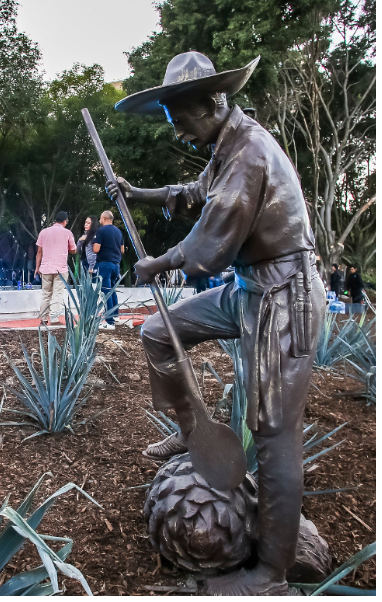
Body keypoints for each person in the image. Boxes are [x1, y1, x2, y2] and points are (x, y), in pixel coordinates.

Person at [110, 51, 324, 594]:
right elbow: (194, 195)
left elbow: (210, 247)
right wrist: (138, 194)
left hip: (284, 295)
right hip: (249, 288)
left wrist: (156, 263)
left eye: (181, 119)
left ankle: (271, 571)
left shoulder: (249, 153)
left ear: (210, 103)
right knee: (159, 332)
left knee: (275, 435)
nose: (178, 131)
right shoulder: (225, 145)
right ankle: (193, 433)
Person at [34, 211, 77, 325]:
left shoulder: (44, 232)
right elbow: (73, 250)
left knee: (45, 294)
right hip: (60, 268)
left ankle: (43, 319)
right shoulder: (67, 233)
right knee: (57, 293)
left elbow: (39, 251)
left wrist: (37, 268)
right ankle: (54, 318)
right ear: (65, 221)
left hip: (45, 267)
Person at [92, 211, 126, 329]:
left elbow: (96, 249)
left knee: (106, 292)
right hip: (116, 264)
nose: (100, 221)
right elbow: (122, 250)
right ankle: (115, 316)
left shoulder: (100, 231)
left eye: (101, 219)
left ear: (105, 218)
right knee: (112, 291)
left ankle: (109, 321)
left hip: (104, 264)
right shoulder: (118, 232)